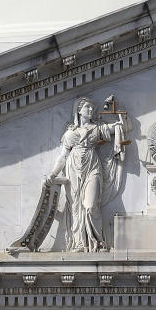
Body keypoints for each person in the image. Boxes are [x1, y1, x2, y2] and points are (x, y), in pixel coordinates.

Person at [45, 97, 126, 252]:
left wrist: (118, 111)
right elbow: (62, 156)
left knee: (90, 206)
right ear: (79, 110)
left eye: (92, 108)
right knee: (75, 206)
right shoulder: (70, 134)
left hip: (92, 166)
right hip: (73, 169)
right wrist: (53, 173)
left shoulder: (97, 128)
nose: (91, 110)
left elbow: (119, 128)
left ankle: (97, 241)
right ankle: (80, 243)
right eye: (87, 107)